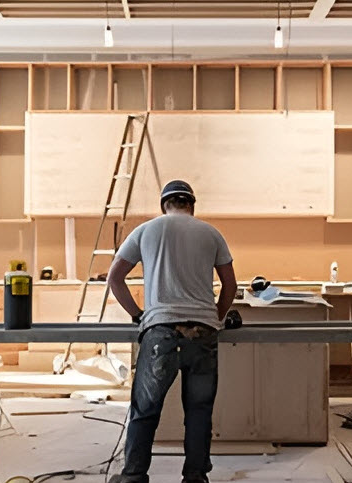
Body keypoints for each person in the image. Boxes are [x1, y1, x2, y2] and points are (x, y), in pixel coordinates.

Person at [107, 180, 237, 483]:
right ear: (192, 204)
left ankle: (134, 476)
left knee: (145, 409)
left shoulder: (146, 230)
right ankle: (195, 477)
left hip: (160, 331)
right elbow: (230, 285)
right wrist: (215, 318)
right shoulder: (211, 233)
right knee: (199, 410)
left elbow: (115, 277)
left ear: (163, 205)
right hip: (203, 332)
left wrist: (139, 315)